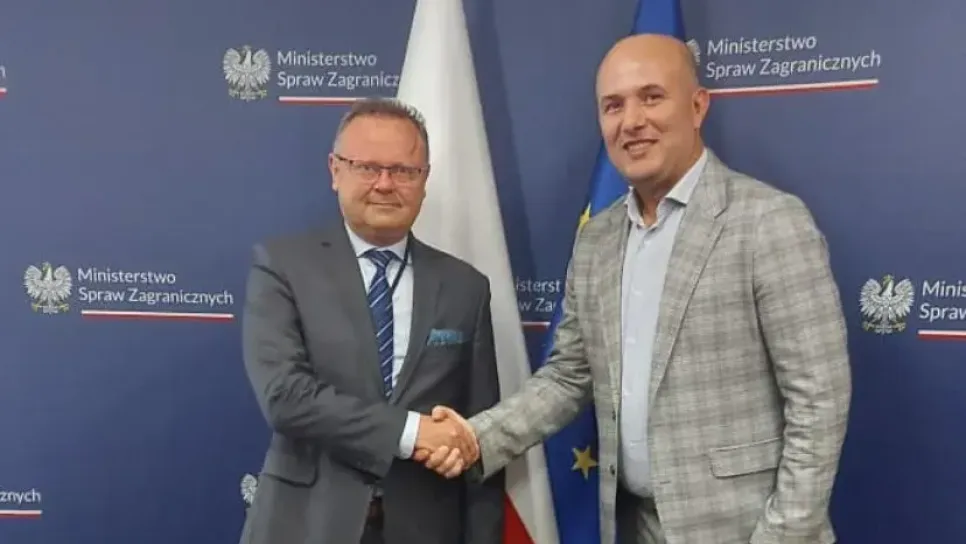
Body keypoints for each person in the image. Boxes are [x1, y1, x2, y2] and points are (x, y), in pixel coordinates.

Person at [419, 33, 853, 544]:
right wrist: (476, 437)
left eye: (652, 97)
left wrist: (782, 535)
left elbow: (819, 402)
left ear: (697, 106)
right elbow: (568, 375)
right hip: (633, 526)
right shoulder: (598, 239)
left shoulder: (769, 221)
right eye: (613, 105)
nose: (631, 121)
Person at [238, 97, 503, 544]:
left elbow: (477, 437)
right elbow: (285, 397)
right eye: (367, 167)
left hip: (427, 528)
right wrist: (412, 432)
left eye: (403, 171)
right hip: (306, 525)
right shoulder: (282, 267)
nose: (384, 184)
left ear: (424, 179)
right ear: (335, 170)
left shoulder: (466, 287)